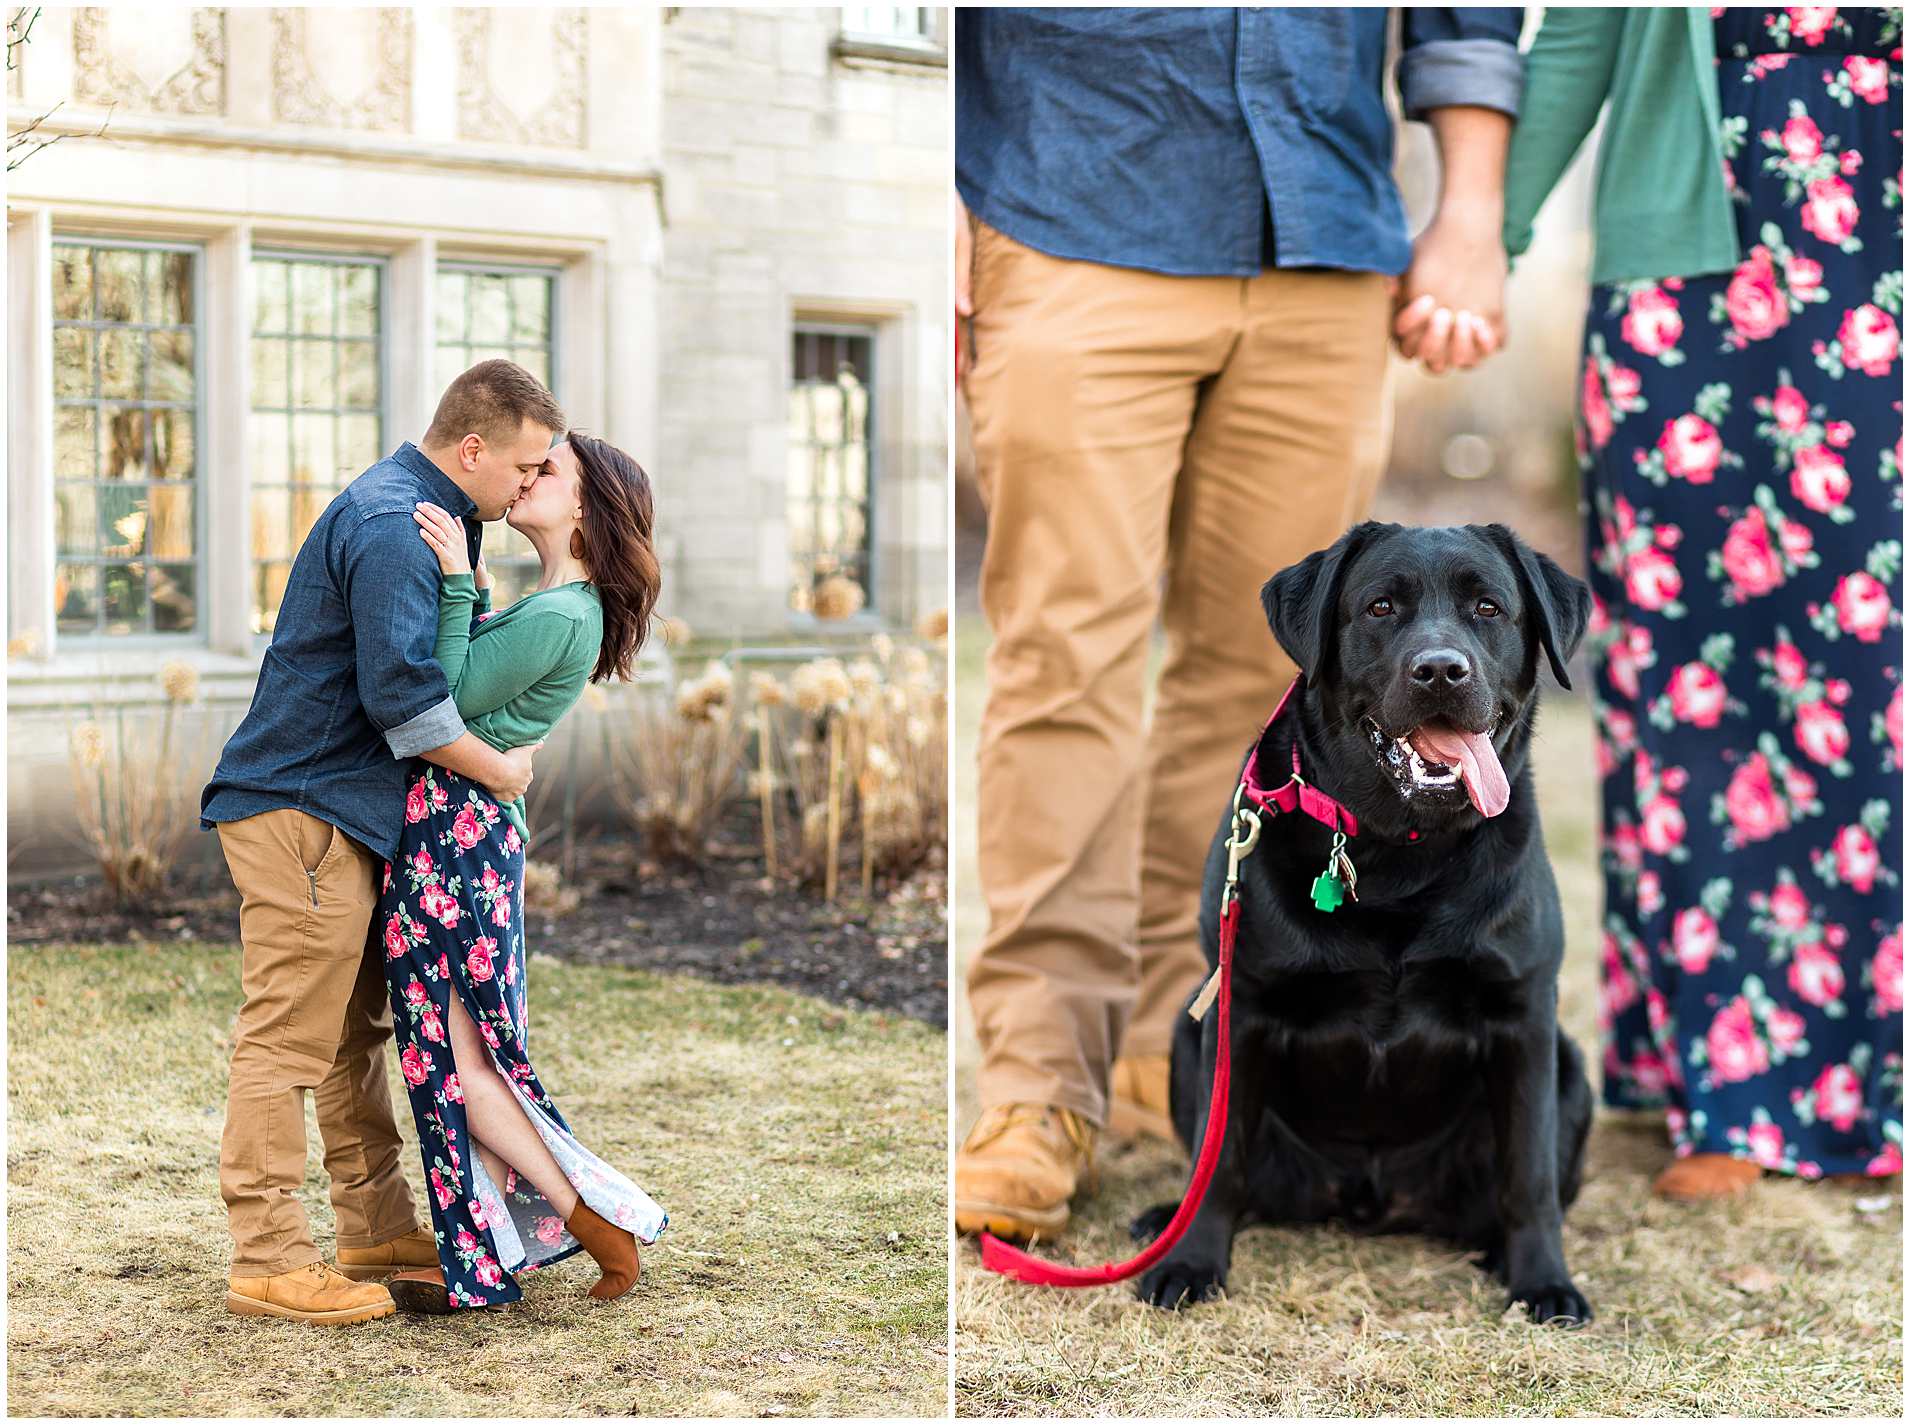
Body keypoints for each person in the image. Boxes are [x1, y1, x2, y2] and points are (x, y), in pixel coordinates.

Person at [954, 6, 1526, 1241]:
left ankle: (1187, 1050)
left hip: (1323, 238)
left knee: (1264, 684)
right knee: (1068, 667)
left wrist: (1469, 213)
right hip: (1067, 211)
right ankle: (1037, 1085)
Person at [1503, 6, 1903, 1199]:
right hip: (1673, 294)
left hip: (1876, 259)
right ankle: (1724, 1083)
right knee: (1685, 683)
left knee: (1866, 682)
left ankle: (1857, 1077)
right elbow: (1577, 40)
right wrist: (1488, 235)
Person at [202, 359, 557, 1324]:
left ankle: (375, 1228)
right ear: (473, 448)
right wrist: (502, 769)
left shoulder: (435, 520)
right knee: (288, 1036)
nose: (531, 486)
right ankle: (269, 1257)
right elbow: (406, 705)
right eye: (525, 467)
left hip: (349, 815)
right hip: (303, 808)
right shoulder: (396, 522)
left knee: (352, 1035)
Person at [379, 430, 667, 1314]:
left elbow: (449, 697)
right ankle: (501, 1245)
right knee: (460, 1057)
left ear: (586, 505)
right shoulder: (557, 606)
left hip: (455, 841)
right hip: (458, 834)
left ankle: (589, 1219)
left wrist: (461, 585)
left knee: (456, 1060)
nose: (529, 476)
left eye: (551, 471)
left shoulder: (562, 613)